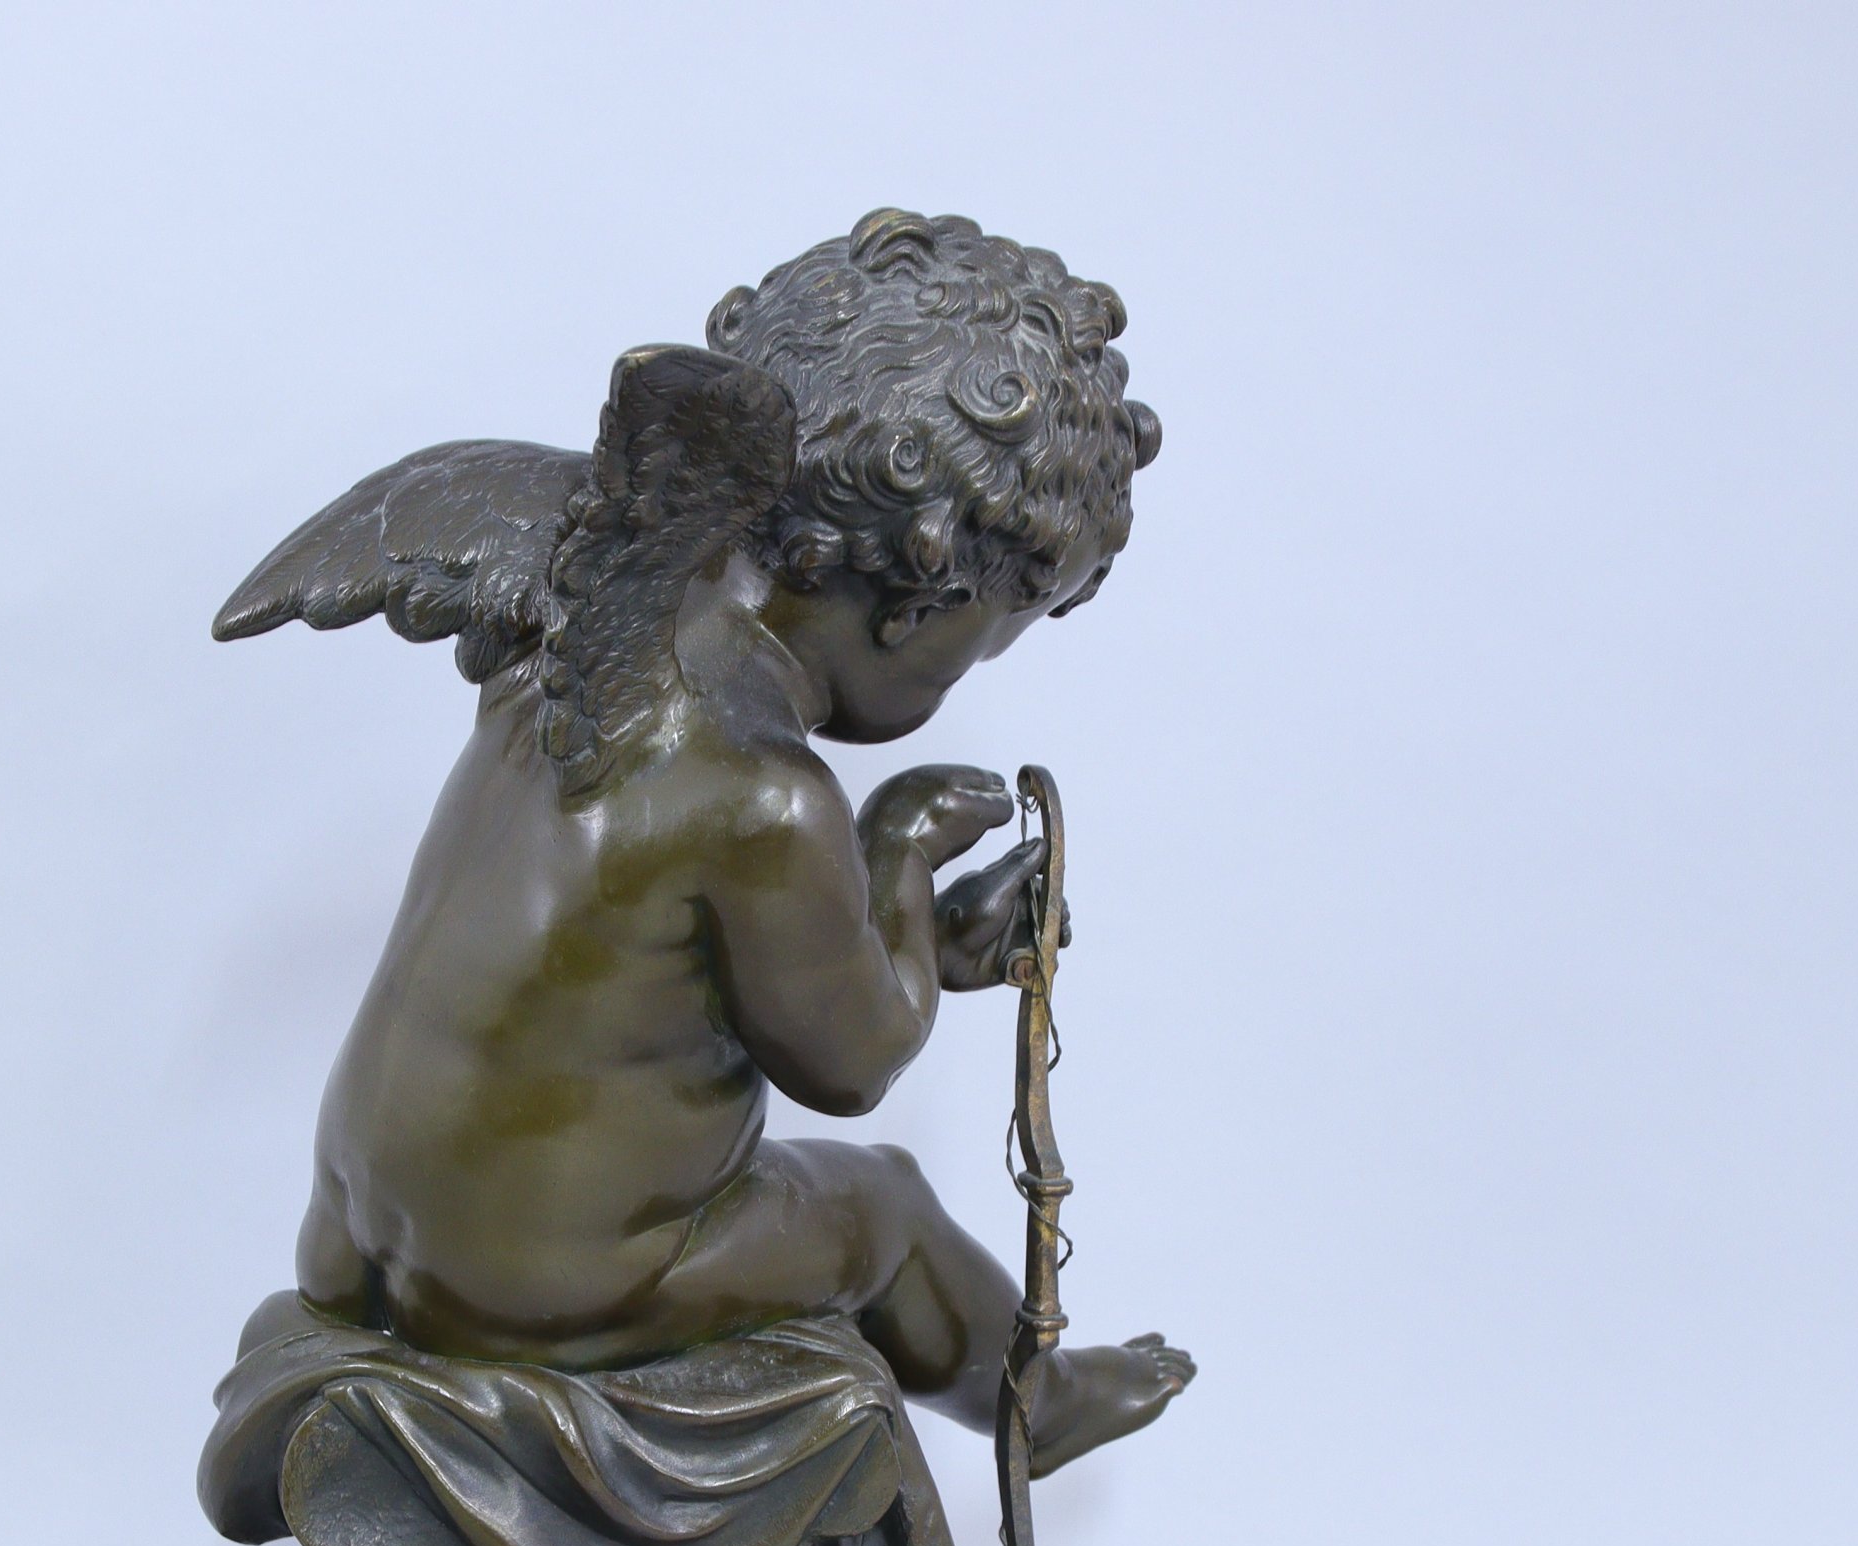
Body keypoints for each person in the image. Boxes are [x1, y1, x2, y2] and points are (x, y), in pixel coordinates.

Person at [227, 211, 1194, 1476]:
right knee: (886, 1204)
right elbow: (852, 1061)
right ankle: (1038, 1402)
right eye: (984, 646)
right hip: (540, 1279)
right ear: (920, 608)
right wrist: (899, 851)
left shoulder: (575, 627)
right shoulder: (763, 795)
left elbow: (682, 952)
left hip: (353, 1234)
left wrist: (920, 938)